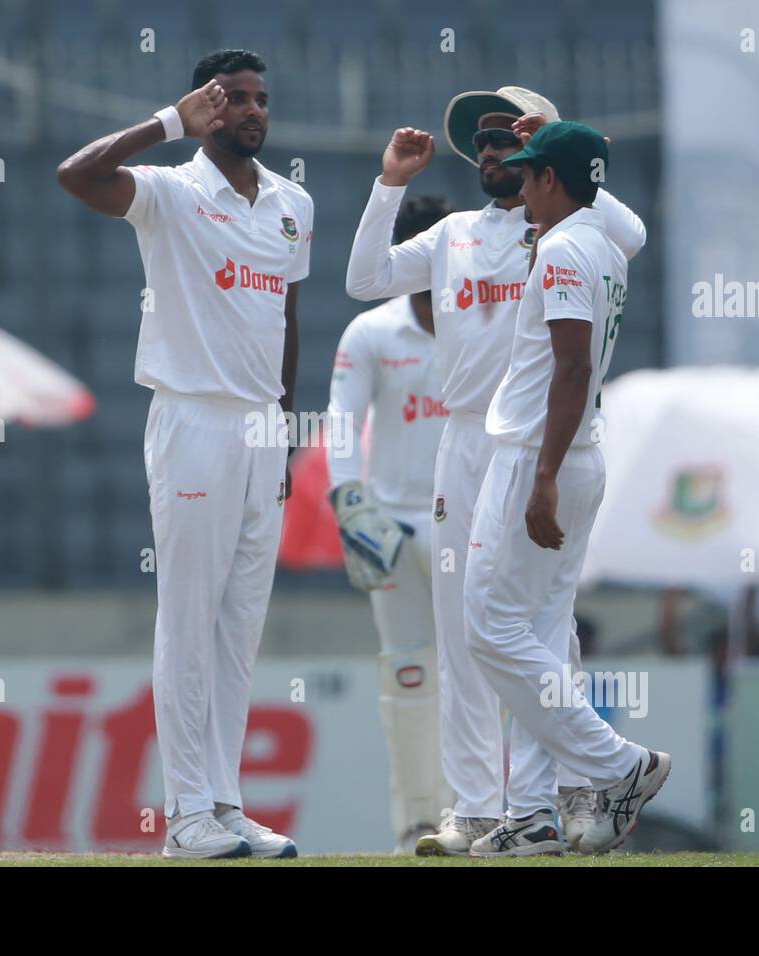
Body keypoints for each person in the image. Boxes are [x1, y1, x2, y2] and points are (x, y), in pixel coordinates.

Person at [345, 87, 648, 856]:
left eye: (504, 136)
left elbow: (632, 232)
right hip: (469, 441)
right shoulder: (453, 235)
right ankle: (480, 807)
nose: (487, 150)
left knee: (543, 629)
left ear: (539, 153)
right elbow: (364, 278)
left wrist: (558, 144)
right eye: (477, 139)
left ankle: (546, 796)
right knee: (464, 626)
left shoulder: (575, 230)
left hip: (540, 441)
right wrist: (390, 184)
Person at [56, 49, 312, 859]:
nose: (251, 110)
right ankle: (185, 813)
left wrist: (286, 431)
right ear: (206, 107)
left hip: (260, 427)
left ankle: (227, 803)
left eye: (260, 99)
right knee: (189, 619)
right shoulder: (169, 191)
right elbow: (76, 174)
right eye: (233, 99)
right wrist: (168, 123)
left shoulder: (292, 204)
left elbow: (287, 321)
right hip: (192, 420)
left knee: (240, 624)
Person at [463, 121, 669, 856]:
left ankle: (619, 765)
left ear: (553, 180)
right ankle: (532, 814)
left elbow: (572, 370)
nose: (519, 187)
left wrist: (541, 475)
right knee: (545, 632)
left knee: (487, 627)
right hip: (581, 454)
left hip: (536, 455)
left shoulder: (561, 248)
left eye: (528, 175)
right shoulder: (605, 245)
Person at [328, 196, 455, 852]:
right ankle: (417, 825)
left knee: (476, 672)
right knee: (409, 675)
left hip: (467, 524)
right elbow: (341, 421)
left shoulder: (487, 321)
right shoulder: (371, 332)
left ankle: (480, 815)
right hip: (395, 529)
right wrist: (350, 503)